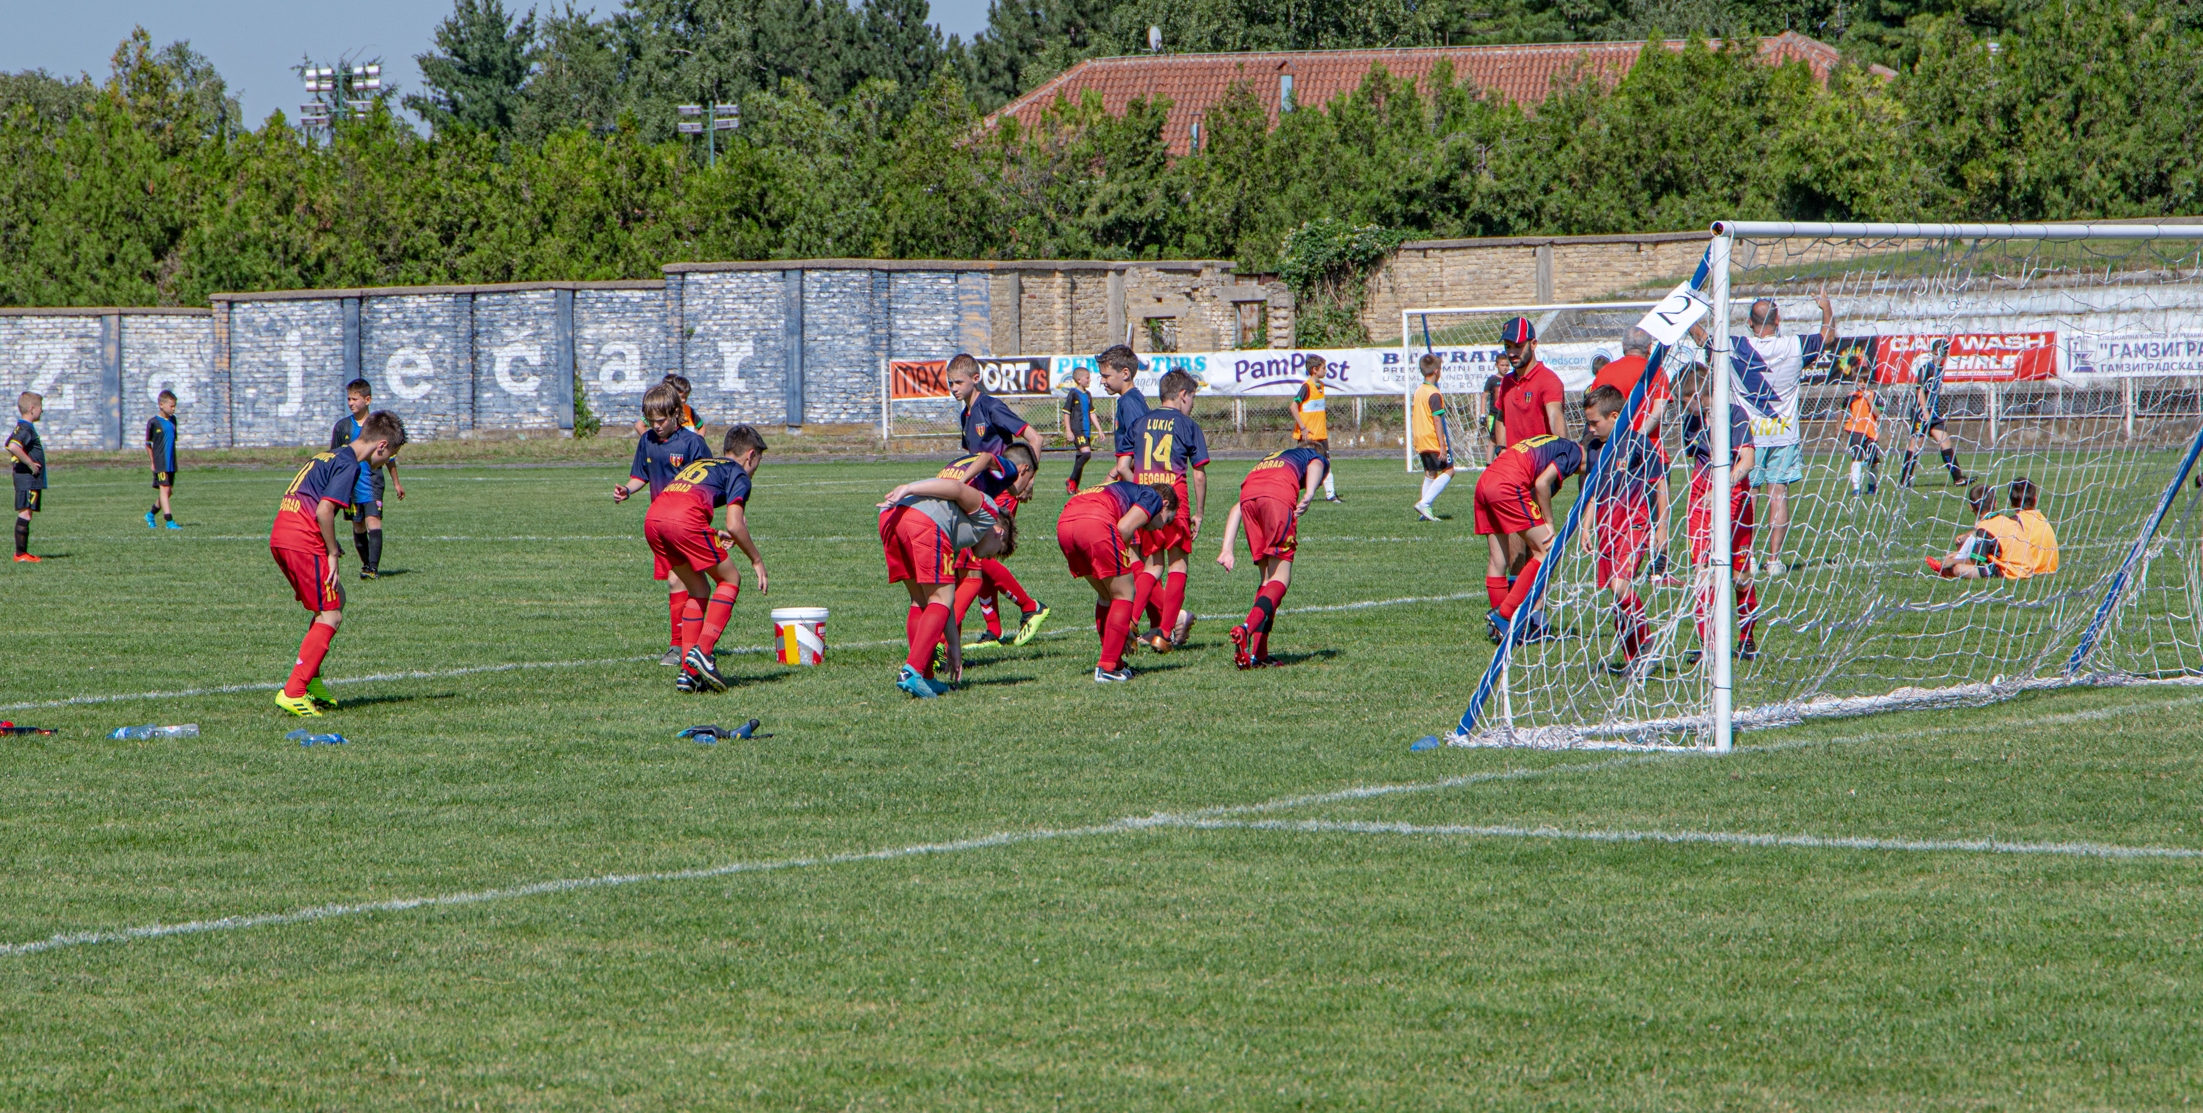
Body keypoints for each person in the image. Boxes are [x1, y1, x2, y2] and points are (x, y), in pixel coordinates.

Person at [269, 410, 406, 717]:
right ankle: (294, 691)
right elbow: (324, 510)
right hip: (301, 539)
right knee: (331, 615)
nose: (386, 461)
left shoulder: (330, 454)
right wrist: (332, 552)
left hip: (283, 533)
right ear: (382, 446)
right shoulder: (350, 464)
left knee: (335, 598)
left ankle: (312, 680)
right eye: (390, 455)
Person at [643, 425, 770, 694]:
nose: (756, 468)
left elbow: (683, 501)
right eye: (759, 460)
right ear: (750, 455)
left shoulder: (704, 463)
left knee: (699, 588)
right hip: (682, 522)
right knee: (730, 579)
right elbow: (735, 524)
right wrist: (756, 560)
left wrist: (711, 533)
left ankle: (688, 673)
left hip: (653, 520)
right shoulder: (739, 473)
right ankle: (703, 652)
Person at [878, 472, 1011, 698]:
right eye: (994, 553)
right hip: (920, 519)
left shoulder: (958, 535)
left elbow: (945, 603)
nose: (987, 558)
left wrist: (954, 645)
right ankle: (912, 671)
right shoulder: (988, 511)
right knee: (940, 598)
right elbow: (956, 488)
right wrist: (909, 487)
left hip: (890, 518)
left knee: (922, 601)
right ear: (1000, 533)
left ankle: (926, 677)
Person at [1729, 293, 1834, 578]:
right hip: (1783, 434)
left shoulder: (1736, 346)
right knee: (1778, 494)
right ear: (1778, 320)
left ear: (1749, 322)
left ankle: (1748, 558)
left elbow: (1703, 338)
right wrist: (1826, 308)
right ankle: (1774, 560)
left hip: (1748, 437)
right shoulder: (1793, 345)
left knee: (1749, 496)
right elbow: (1827, 337)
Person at [614, 384, 714, 665]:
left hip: (688, 521)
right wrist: (628, 490)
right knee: (679, 582)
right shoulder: (647, 441)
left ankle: (681, 645)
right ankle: (689, 644)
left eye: (661, 421)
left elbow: (710, 481)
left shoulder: (692, 444)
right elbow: (640, 475)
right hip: (662, 525)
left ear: (675, 414)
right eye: (651, 422)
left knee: (679, 580)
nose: (656, 426)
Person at [1580, 386, 1668, 675]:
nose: (1591, 429)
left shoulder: (1637, 443)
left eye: (1595, 423)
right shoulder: (1595, 449)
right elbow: (1594, 492)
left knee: (1620, 587)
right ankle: (1634, 659)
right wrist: (1586, 527)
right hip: (1606, 528)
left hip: (1634, 524)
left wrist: (1662, 526)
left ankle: (1648, 643)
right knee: (1617, 599)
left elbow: (1659, 482)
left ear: (1615, 416)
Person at [1215, 445, 1327, 669]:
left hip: (1249, 498)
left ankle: (1259, 654)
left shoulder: (1275, 458)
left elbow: (1237, 507)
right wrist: (1310, 493)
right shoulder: (1312, 455)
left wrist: (1227, 548)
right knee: (1281, 578)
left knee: (1267, 581)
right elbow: (1317, 461)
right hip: (1276, 497)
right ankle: (1246, 629)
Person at [1677, 363, 1760, 663]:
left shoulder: (1735, 415)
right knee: (1704, 573)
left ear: (1699, 394)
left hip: (1735, 498)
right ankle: (1708, 645)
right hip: (1700, 501)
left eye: (1685, 399)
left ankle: (1746, 637)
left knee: (1739, 575)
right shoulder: (1691, 422)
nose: (1682, 406)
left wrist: (1722, 488)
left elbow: (1748, 460)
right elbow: (1698, 458)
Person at [1057, 479, 1177, 682]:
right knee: (1125, 594)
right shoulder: (1153, 497)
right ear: (1164, 505)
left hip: (1065, 525)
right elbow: (1124, 529)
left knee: (1107, 596)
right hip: (1094, 522)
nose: (1161, 527)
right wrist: (1126, 623)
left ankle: (1116, 662)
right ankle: (1107, 667)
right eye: (1167, 520)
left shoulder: (1125, 490)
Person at [1474, 432, 1587, 644]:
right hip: (1506, 484)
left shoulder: (1555, 443)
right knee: (1546, 551)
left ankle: (1501, 631)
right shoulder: (1574, 453)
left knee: (1498, 560)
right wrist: (1549, 522)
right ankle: (1504, 614)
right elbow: (1542, 484)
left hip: (1486, 481)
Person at [1129, 369, 1210, 651]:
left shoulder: (1141, 422)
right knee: (1178, 564)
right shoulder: (1187, 425)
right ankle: (1164, 634)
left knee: (1153, 565)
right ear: (1183, 395)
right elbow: (1198, 474)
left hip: (1145, 498)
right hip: (1174, 499)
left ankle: (1131, 621)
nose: (1192, 405)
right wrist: (1199, 513)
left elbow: (1127, 464)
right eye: (1193, 398)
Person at [939, 445, 1050, 647]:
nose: (1028, 485)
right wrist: (961, 485)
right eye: (1030, 479)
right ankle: (948, 647)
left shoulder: (1006, 466)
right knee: (969, 573)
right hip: (960, 510)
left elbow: (1033, 439)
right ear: (1024, 469)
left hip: (952, 511)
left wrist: (960, 484)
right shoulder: (1009, 469)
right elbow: (987, 457)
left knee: (971, 573)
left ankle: (943, 645)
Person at [1589, 326, 1674, 582]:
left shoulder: (1605, 372)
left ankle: (1620, 563)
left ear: (1623, 347)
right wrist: (1638, 437)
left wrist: (1624, 440)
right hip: (1651, 454)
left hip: (1613, 456)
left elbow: (1594, 408)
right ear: (1649, 348)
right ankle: (1658, 570)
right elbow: (1659, 409)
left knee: (1617, 512)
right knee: (1656, 512)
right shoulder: (1656, 370)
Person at [330, 379, 406, 580]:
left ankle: (373, 568)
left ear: (368, 399)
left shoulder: (377, 426)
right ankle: (365, 564)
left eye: (355, 399)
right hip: (351, 486)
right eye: (349, 399)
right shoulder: (342, 427)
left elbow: (389, 456)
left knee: (373, 521)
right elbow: (335, 456)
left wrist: (396, 482)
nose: (351, 403)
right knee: (358, 526)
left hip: (373, 483)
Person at [950, 353, 1045, 465]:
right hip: (981, 476)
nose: (954, 388)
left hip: (1000, 475)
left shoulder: (993, 407)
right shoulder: (964, 415)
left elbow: (1036, 439)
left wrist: (1029, 474)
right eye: (950, 383)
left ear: (976, 379)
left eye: (959, 382)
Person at [1900, 338, 1968, 489]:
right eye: (1941, 353)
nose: (1943, 357)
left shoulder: (1940, 369)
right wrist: (1925, 412)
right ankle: (1904, 481)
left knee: (1945, 442)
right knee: (1915, 445)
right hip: (1921, 413)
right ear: (1935, 353)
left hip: (1934, 415)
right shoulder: (1926, 369)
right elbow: (1919, 390)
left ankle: (1958, 479)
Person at [1930, 482, 2033, 580]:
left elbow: (1975, 560)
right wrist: (1957, 556)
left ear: (1970, 507)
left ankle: (1945, 570)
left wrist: (1953, 561)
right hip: (2028, 568)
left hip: (2011, 572)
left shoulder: (1984, 528)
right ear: (1995, 503)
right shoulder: (2005, 520)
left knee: (1958, 569)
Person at [1493, 316, 1566, 448]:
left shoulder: (1548, 380)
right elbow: (1501, 417)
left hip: (1541, 459)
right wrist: (1501, 448)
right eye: (1508, 347)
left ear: (1533, 344)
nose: (1511, 353)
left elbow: (1555, 414)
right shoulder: (1507, 381)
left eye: (1518, 346)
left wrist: (1562, 451)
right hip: (1513, 460)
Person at [1410, 353, 1455, 522]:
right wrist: (1442, 446)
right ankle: (1425, 503)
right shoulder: (1434, 393)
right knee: (1449, 470)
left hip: (1421, 439)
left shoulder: (1419, 391)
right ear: (1436, 371)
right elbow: (1437, 420)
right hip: (1432, 439)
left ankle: (1425, 512)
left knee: (1430, 473)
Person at [1290, 355, 1341, 502]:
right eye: (1323, 368)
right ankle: (1294, 494)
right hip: (1309, 436)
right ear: (1314, 369)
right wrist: (1303, 428)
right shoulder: (1306, 387)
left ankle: (1331, 495)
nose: (1326, 370)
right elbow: (1293, 406)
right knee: (1303, 465)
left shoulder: (1321, 386)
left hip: (1321, 434)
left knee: (1326, 463)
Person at [1099, 345, 1148, 486]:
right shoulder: (1127, 399)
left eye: (1106, 376)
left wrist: (1114, 473)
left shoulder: (1130, 402)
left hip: (1135, 479)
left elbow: (1142, 446)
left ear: (1125, 374)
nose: (1102, 381)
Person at [9, 392, 45, 563]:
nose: (42, 410)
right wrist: (30, 463)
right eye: (40, 407)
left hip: (27, 479)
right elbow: (13, 446)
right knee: (25, 514)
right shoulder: (25, 428)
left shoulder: (22, 427)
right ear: (32, 408)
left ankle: (22, 554)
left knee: (27, 513)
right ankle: (21, 554)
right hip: (27, 479)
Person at [145, 389, 182, 529]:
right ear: (161, 405)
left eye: (174, 406)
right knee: (164, 489)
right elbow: (148, 444)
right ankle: (169, 521)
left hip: (170, 462)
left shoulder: (173, 420)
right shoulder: (153, 422)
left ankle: (150, 514)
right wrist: (152, 462)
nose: (173, 409)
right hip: (160, 462)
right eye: (171, 406)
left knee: (168, 491)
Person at [1843, 383, 1885, 497]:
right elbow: (1841, 409)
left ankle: (1872, 485)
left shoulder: (1874, 395)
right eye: (1860, 381)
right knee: (1856, 458)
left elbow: (1878, 414)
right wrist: (1838, 426)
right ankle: (1856, 488)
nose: (1862, 383)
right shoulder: (1851, 396)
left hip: (1870, 432)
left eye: (1865, 381)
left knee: (1872, 460)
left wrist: (1869, 400)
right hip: (1856, 431)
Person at [2012, 477, 2059, 575]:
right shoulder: (2042, 519)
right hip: (2051, 568)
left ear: (2011, 502)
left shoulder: (2015, 521)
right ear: (2035, 499)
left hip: (2031, 570)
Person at [1062, 365, 1097, 493]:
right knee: (1086, 454)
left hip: (1086, 430)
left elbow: (1092, 413)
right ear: (1079, 380)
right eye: (1087, 378)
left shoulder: (1088, 395)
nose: (1089, 380)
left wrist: (1099, 429)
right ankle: (1071, 479)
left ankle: (1074, 486)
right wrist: (1068, 430)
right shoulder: (1073, 393)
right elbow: (1066, 412)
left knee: (1079, 457)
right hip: (1077, 429)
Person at [633, 373, 704, 437]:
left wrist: (699, 441)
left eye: (686, 397)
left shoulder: (689, 410)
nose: (683, 400)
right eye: (681, 397)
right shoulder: (663, 409)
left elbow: (702, 427)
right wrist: (649, 443)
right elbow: (639, 425)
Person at [1480, 372, 1505, 465]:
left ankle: (1500, 464)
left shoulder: (1510, 378)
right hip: (1494, 415)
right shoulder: (1492, 380)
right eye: (1502, 365)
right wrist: (1482, 414)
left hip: (1505, 415)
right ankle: (1488, 465)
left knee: (1503, 442)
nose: (1505, 367)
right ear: (1497, 365)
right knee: (1493, 441)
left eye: (1507, 365)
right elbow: (1485, 396)